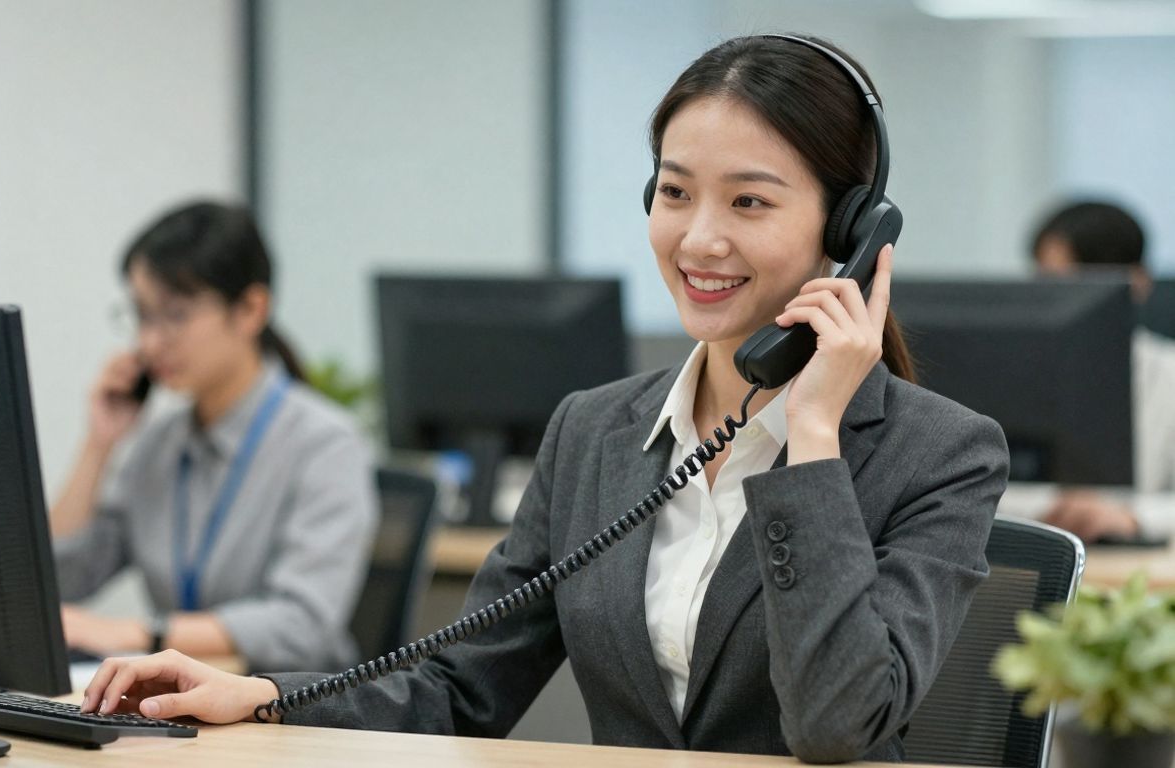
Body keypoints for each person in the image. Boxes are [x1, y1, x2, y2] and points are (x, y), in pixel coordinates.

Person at [79, 36, 1008, 762]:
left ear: (848, 234)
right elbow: (460, 689)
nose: (699, 239)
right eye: (676, 193)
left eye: (751, 204)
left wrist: (812, 434)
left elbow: (838, 724)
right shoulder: (595, 433)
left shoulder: (942, 454)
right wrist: (266, 694)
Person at [51, 200, 378, 672]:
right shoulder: (161, 443)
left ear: (250, 310)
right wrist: (98, 445)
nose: (149, 342)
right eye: (142, 315)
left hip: (290, 713)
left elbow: (302, 623)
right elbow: (58, 581)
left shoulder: (324, 444)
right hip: (181, 706)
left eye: (175, 315)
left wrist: (138, 633)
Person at [1029, 200, 1175, 543]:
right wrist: (1054, 507)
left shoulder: (1169, 373)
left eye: (1072, 286)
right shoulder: (1017, 370)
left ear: (1136, 283)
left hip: (1134, 566)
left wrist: (1133, 517)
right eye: (1044, 283)